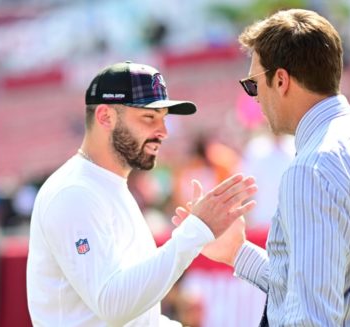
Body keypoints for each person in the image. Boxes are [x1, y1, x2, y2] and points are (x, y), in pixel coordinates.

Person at [173, 9, 350, 326]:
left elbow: (310, 318)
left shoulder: (311, 168)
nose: (255, 98)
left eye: (253, 84)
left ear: (281, 80)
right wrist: (237, 252)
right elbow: (331, 289)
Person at [26, 61, 258, 327]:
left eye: (163, 118)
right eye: (149, 117)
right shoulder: (75, 192)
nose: (163, 132)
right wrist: (196, 231)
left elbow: (135, 316)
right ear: (105, 117)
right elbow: (111, 305)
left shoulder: (108, 185)